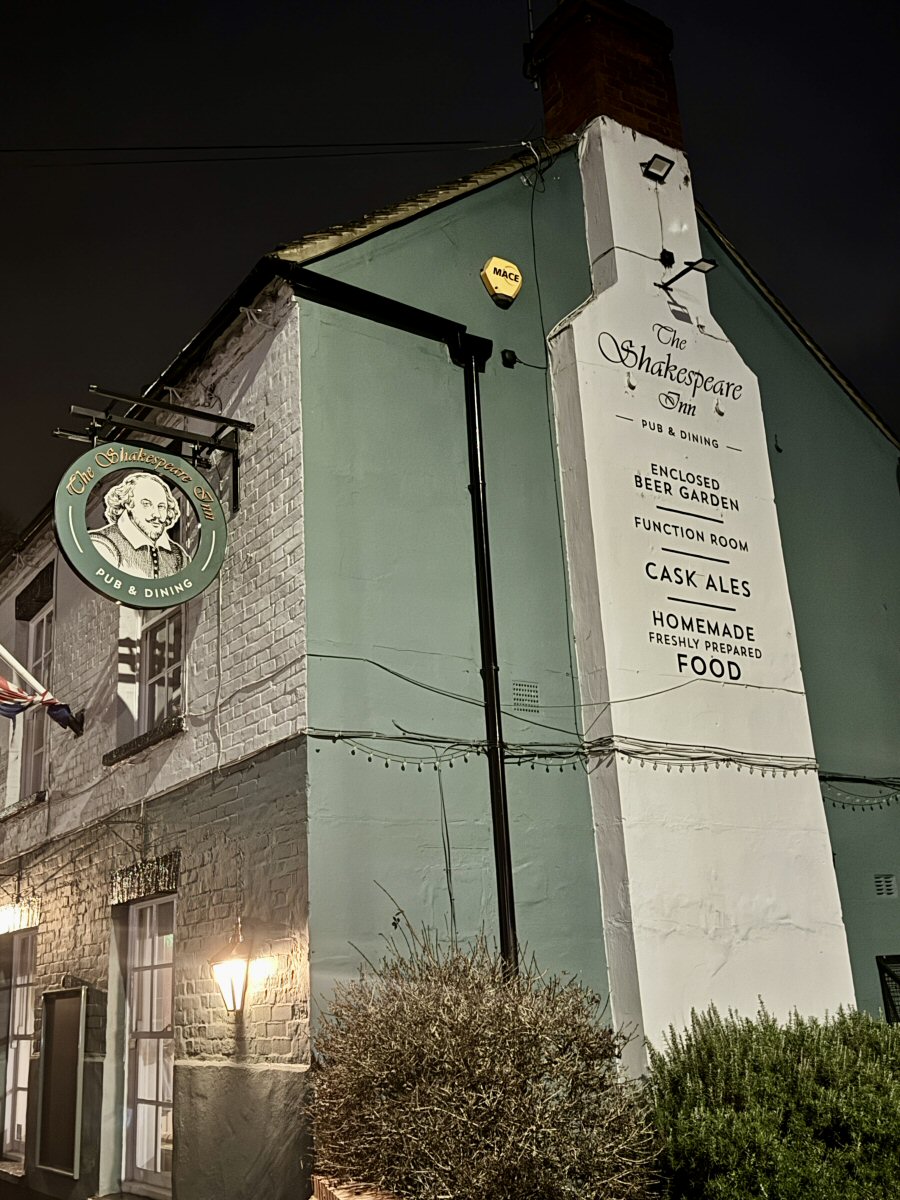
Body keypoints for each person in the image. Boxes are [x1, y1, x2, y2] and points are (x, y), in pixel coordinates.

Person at [90, 472, 190, 579]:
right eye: (146, 504)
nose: (156, 514)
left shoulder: (180, 556)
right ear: (128, 504)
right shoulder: (102, 544)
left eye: (161, 506)